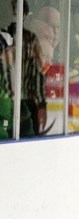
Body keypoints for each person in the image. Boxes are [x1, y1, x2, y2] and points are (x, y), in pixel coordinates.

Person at [6, 0, 47, 137]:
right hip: (11, 96)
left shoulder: (31, 38)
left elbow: (40, 68)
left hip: (25, 97)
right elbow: (41, 67)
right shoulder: (5, 38)